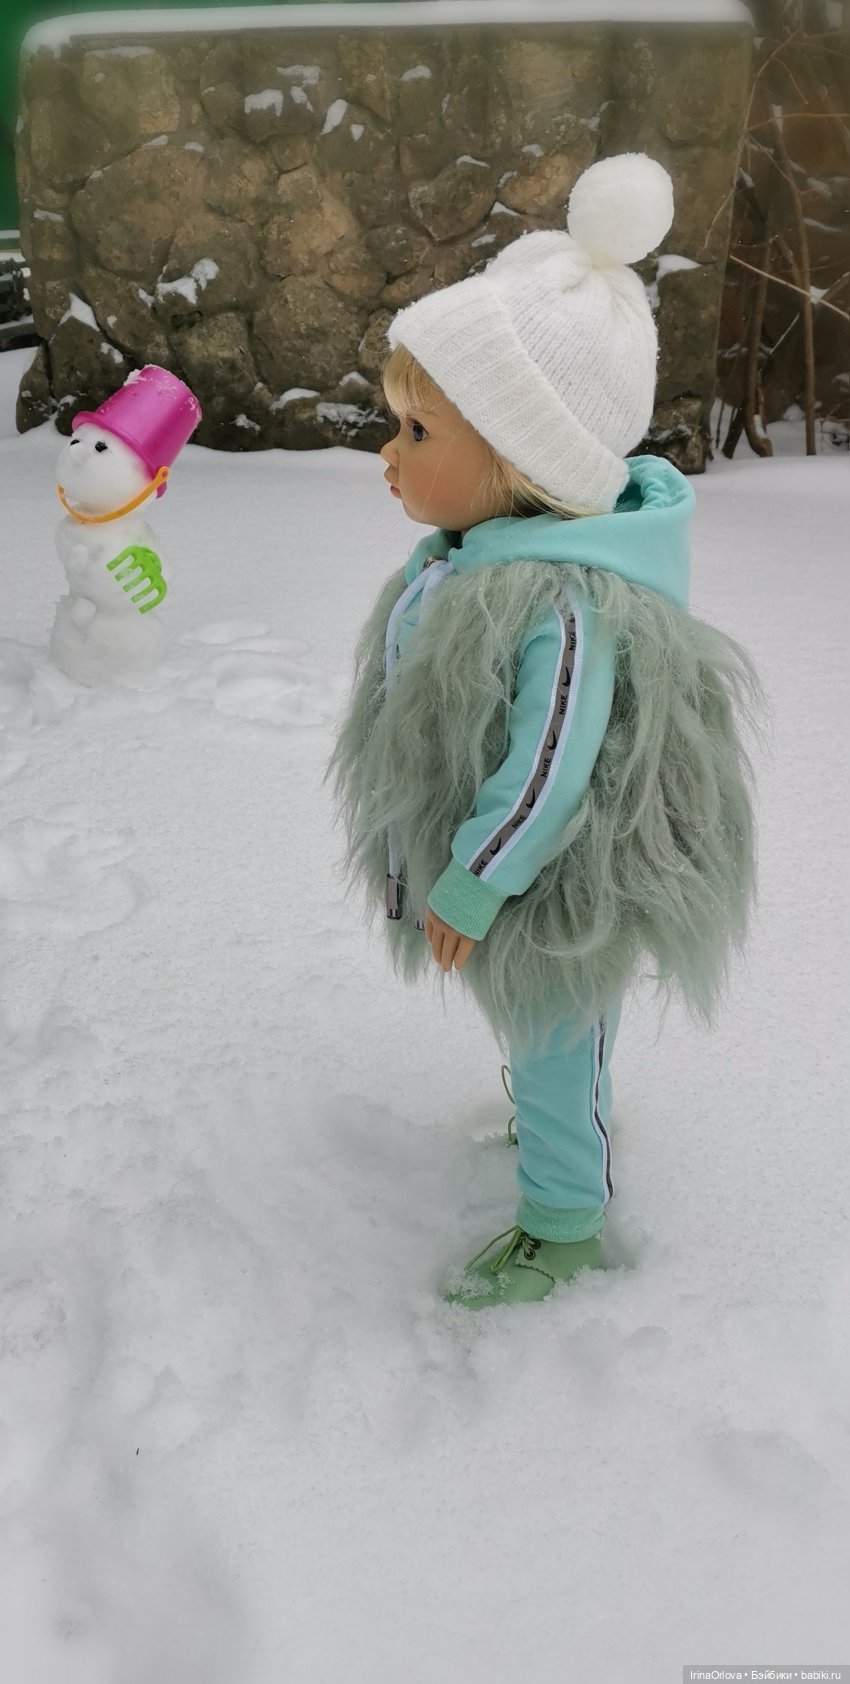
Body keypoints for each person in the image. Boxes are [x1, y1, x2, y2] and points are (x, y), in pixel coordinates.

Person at [325, 153, 763, 1309]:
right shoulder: (482, 559)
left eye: (419, 430)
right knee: (537, 1032)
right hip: (504, 873)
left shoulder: (564, 602)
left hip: (548, 887)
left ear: (521, 460)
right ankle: (545, 1125)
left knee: (560, 1028)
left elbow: (551, 760)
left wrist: (473, 881)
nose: (390, 453)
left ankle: (563, 1223)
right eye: (396, 423)